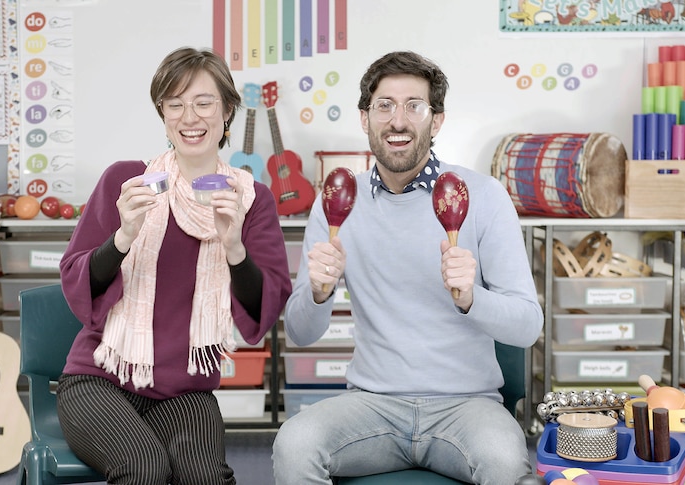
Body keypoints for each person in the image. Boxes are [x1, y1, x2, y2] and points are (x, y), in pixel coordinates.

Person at [272, 51, 543, 484]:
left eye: (414, 106)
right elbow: (302, 334)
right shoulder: (339, 203)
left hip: (467, 407)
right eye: (385, 106)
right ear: (365, 118)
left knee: (504, 462)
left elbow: (528, 325)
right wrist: (318, 292)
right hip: (372, 406)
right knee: (294, 443)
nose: (398, 121)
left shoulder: (482, 196)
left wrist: (472, 299)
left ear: (435, 121)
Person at [57, 46, 292, 484]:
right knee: (146, 467)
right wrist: (123, 237)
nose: (190, 117)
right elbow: (76, 280)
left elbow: (267, 302)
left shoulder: (251, 199)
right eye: (175, 104)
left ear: (227, 112)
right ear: (162, 114)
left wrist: (234, 248)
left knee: (206, 477)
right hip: (99, 379)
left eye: (203, 102)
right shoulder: (127, 180)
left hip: (183, 387)